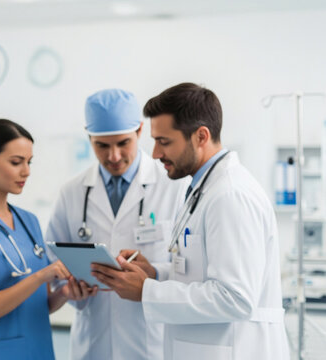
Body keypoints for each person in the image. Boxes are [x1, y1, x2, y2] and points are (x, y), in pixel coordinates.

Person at [92, 83, 289, 360]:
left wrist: (147, 292)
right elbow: (202, 273)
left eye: (164, 141)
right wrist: (155, 274)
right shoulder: (203, 189)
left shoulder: (230, 195)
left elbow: (235, 298)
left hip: (236, 349)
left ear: (201, 136)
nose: (156, 153)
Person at [45, 89, 189, 359]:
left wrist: (153, 275)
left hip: (151, 341)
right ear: (89, 139)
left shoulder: (174, 186)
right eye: (102, 145)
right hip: (92, 340)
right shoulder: (72, 192)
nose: (113, 156)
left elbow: (191, 268)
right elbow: (52, 264)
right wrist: (68, 287)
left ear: (139, 131)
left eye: (123, 143)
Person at [0, 119, 90, 359]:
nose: (26, 171)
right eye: (16, 162)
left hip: (37, 349)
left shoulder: (28, 221)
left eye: (29, 162)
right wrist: (42, 275)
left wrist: (65, 293)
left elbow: (37, 304)